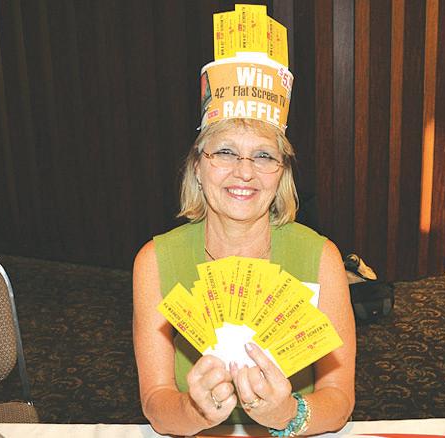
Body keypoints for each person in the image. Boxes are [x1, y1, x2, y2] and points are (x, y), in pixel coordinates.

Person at [132, 117, 356, 436]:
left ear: (281, 173)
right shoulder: (155, 261)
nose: (245, 172)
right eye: (225, 152)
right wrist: (195, 411)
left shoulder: (320, 257)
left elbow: (339, 399)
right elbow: (156, 401)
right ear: (197, 168)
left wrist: (287, 414)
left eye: (264, 155)